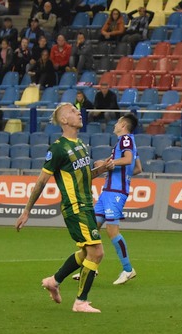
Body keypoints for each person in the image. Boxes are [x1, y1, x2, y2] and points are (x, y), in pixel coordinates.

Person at [15, 103, 113, 313]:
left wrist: (102, 168)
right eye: (72, 111)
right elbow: (41, 181)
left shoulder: (82, 146)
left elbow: (86, 176)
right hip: (74, 206)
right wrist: (26, 210)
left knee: (86, 251)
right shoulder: (58, 148)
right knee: (97, 252)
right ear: (64, 121)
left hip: (87, 204)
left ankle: (54, 281)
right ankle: (80, 302)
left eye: (77, 111)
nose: (78, 113)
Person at [94, 113, 141, 285]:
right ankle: (91, 266)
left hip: (115, 192)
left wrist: (112, 165)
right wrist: (115, 170)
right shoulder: (127, 142)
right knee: (92, 228)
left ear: (122, 125)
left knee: (112, 231)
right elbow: (138, 168)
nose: (115, 124)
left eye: (117, 122)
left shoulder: (126, 139)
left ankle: (128, 269)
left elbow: (128, 160)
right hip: (108, 191)